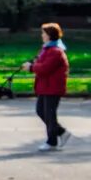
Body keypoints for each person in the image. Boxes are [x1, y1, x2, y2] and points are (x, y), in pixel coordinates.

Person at [22, 23, 70, 152]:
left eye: (44, 33)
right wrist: (32, 63)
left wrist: (31, 67)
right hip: (46, 86)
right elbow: (41, 63)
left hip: (52, 88)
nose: (42, 35)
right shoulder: (47, 49)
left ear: (49, 35)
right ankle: (61, 133)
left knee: (49, 114)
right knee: (41, 111)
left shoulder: (56, 51)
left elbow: (46, 68)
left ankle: (52, 142)